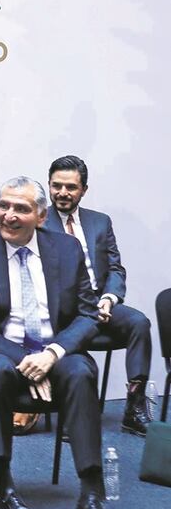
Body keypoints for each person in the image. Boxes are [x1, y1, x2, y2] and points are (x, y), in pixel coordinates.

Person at [0, 176, 113, 509]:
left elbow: (88, 316)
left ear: (41, 217)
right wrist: (28, 361)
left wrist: (51, 355)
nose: (8, 215)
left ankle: (90, 494)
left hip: (54, 352)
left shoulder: (68, 249)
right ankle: (5, 490)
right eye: (3, 206)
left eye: (20, 209)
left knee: (80, 372)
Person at [43, 155, 154, 436]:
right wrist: (85, 309)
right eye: (57, 186)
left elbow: (115, 268)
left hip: (100, 302)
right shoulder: (39, 222)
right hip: (64, 311)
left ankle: (134, 405)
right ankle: (73, 411)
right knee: (67, 331)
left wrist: (108, 299)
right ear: (49, 185)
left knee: (139, 323)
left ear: (84, 189)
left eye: (70, 187)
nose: (62, 193)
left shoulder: (100, 222)